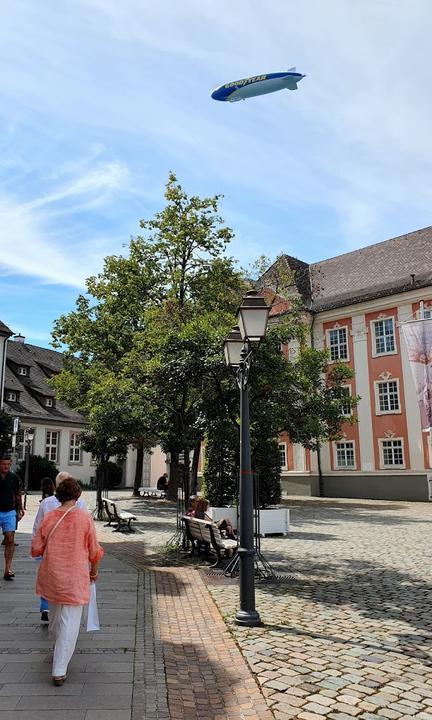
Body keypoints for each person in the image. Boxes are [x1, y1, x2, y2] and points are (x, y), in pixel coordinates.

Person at [31, 477, 103, 686]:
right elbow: (94, 550)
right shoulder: (84, 518)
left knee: (54, 619)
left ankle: (59, 653)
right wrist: (94, 572)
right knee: (70, 622)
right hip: (75, 577)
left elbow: (36, 548)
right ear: (77, 495)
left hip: (52, 575)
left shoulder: (50, 517)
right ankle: (59, 670)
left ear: (58, 495)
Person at [33, 471, 88, 623]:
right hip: (74, 553)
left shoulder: (46, 505)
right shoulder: (81, 507)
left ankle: (47, 607)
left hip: (51, 552)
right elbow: (88, 534)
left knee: (49, 578)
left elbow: (37, 529)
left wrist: (39, 549)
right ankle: (60, 608)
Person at [0, 455, 24, 580]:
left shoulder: (13, 477)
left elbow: (17, 493)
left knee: (10, 539)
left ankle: (8, 569)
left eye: (8, 464)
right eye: (4, 464)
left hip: (9, 511)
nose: (6, 466)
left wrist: (20, 509)